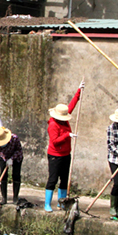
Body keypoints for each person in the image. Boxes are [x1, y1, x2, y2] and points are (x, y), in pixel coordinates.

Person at [45, 81, 84, 212]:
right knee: (53, 179)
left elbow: (71, 106)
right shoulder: (53, 125)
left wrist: (78, 91)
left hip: (66, 154)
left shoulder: (64, 119)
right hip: (55, 156)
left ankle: (61, 203)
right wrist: (67, 135)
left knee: (64, 180)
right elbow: (55, 141)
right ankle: (47, 204)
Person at [0, 127, 24, 205]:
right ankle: (4, 198)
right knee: (3, 175)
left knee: (16, 175)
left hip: (16, 157)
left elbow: (19, 150)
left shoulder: (14, 138)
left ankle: (15, 197)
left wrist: (12, 159)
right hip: (3, 157)